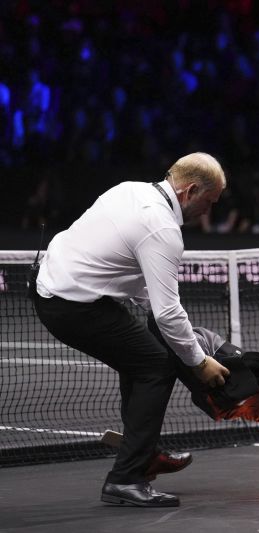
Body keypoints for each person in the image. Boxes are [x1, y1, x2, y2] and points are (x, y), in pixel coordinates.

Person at [31, 152, 231, 507]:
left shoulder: (130, 190)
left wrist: (179, 339)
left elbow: (145, 293)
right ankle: (125, 479)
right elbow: (168, 313)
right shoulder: (163, 228)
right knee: (154, 367)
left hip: (56, 285)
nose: (207, 212)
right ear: (190, 191)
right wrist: (200, 362)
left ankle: (143, 455)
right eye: (208, 202)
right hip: (70, 304)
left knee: (142, 359)